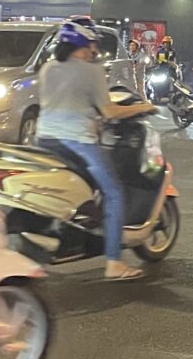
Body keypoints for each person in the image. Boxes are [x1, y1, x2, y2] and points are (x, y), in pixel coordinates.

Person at [35, 17, 149, 281]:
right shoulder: (91, 71)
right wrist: (143, 107)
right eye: (92, 42)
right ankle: (114, 263)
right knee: (114, 191)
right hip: (78, 142)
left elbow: (62, 103)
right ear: (82, 42)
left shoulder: (48, 68)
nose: (95, 49)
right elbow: (108, 110)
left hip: (45, 140)